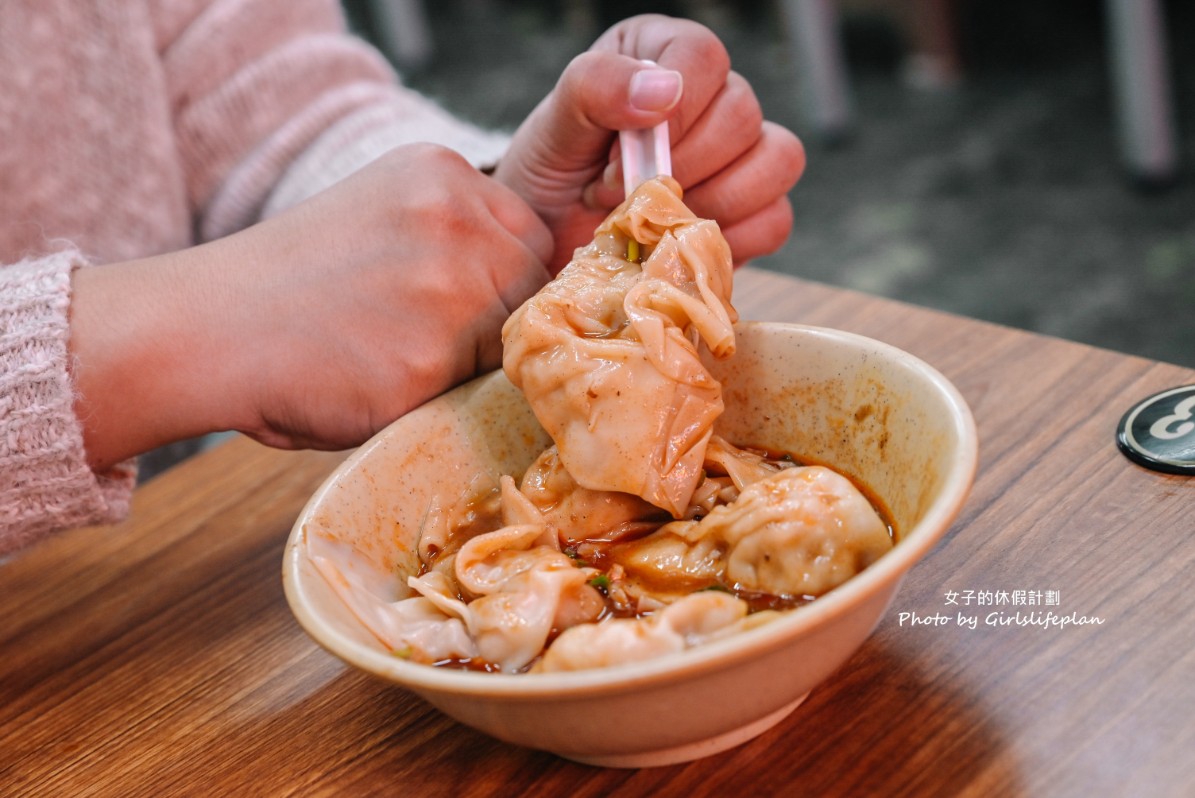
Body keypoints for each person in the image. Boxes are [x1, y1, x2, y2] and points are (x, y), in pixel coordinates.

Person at [0, 0, 805, 556]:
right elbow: (233, 305)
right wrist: (172, 336)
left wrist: (487, 217)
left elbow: (264, 94)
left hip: (181, 563)